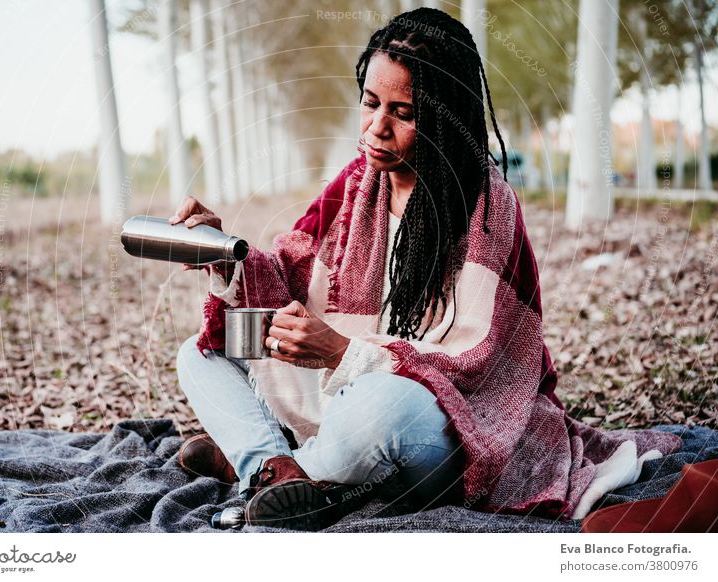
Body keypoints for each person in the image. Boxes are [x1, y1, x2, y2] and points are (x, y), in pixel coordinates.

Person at [173, 8, 682, 531]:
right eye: (370, 104)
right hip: (338, 393)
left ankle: (269, 460)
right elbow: (284, 279)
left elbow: (474, 366)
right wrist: (223, 253)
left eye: (403, 113)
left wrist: (341, 351)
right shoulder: (356, 185)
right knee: (204, 352)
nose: (377, 127)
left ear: (443, 117)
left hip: (435, 425)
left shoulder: (485, 207)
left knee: (381, 404)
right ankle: (272, 470)